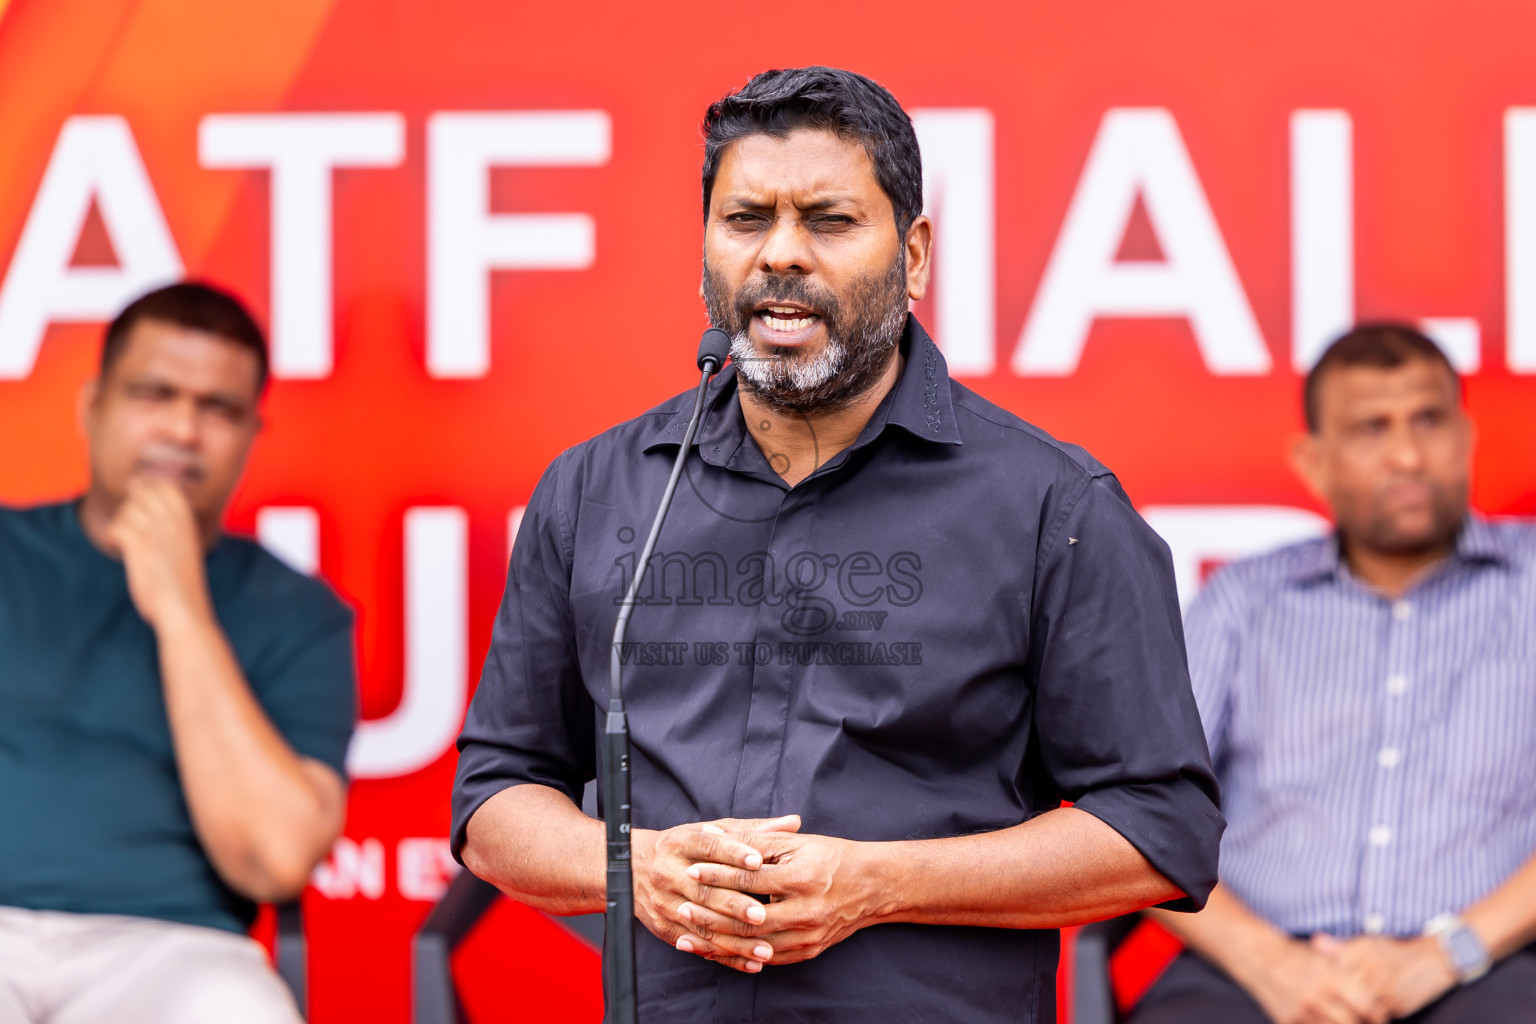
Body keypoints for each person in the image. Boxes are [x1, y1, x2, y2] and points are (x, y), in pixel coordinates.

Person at [453, 66, 1222, 1023]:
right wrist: (634, 864)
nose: (781, 255)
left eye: (828, 220)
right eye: (745, 220)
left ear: (915, 255)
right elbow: (495, 799)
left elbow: (1161, 828)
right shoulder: (596, 489)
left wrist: (879, 883)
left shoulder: (1052, 506)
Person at [1137, 323, 1536, 1024]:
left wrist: (1448, 953)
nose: (1408, 454)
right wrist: (1272, 965)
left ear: (1467, 437)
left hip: (1487, 965)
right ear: (1314, 461)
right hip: (1254, 972)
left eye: (1429, 420)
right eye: (1371, 429)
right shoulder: (1244, 602)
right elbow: (1140, 811)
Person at [0, 282, 356, 1024]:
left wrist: (180, 604)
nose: (182, 430)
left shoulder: (299, 614)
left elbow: (275, 857)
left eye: (217, 408)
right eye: (154, 393)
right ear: (91, 406)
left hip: (172, 951)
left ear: (252, 433)